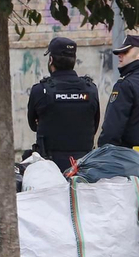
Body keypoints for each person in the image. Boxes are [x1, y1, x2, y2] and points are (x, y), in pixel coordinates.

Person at [25, 36, 100, 170]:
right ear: (74, 60)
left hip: (50, 168)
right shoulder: (91, 89)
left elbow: (33, 124)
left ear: (51, 60)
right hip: (84, 167)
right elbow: (94, 125)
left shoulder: (40, 90)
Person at [100, 33, 139, 164]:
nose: (119, 55)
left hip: (134, 163)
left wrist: (103, 157)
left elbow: (112, 130)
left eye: (125, 51)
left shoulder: (126, 85)